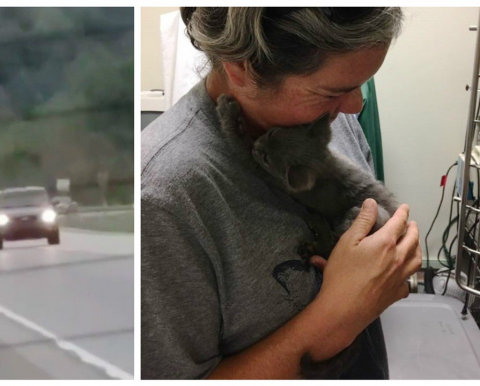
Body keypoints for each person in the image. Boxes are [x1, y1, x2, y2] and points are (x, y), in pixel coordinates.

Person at [141, 7, 422, 379]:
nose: (356, 106)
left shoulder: (330, 119)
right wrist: (334, 317)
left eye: (360, 85)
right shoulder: (162, 201)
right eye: (334, 92)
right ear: (241, 67)